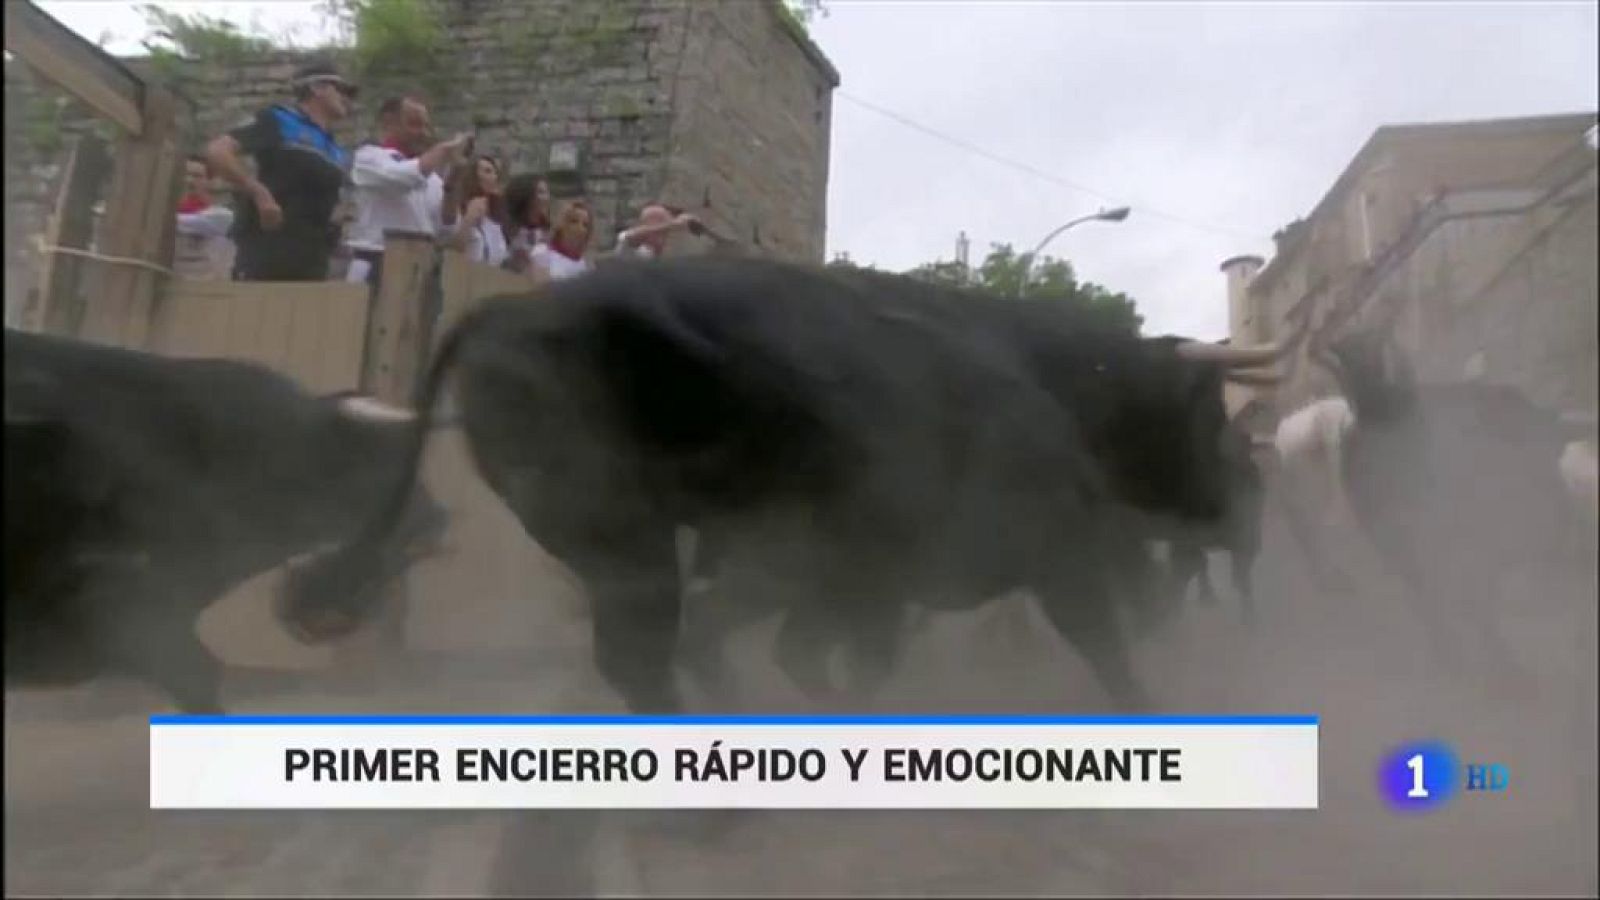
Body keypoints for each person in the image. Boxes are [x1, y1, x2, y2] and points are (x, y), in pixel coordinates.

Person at [204, 58, 356, 281]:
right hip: (269, 247)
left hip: (313, 256)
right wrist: (259, 193)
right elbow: (217, 151)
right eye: (342, 90)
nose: (347, 99)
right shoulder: (280, 120)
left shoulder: (334, 148)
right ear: (317, 88)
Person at [343, 95, 473, 286]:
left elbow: (447, 225)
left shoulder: (431, 177)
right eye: (415, 124)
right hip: (378, 261)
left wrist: (453, 180)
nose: (424, 133)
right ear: (388, 123)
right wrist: (445, 150)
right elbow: (402, 178)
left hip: (416, 267)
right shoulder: (368, 157)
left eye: (426, 126)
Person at [172, 154, 235, 281]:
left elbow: (187, 222)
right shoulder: (170, 212)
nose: (189, 180)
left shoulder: (221, 216)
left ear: (210, 181)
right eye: (184, 174)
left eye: (197, 176)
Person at [441, 154, 509, 268]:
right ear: (473, 176)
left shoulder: (495, 222)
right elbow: (451, 250)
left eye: (495, 173)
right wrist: (469, 219)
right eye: (488, 171)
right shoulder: (456, 209)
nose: (494, 177)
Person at [529, 199, 595, 281]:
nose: (580, 228)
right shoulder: (542, 253)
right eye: (574, 221)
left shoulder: (584, 266)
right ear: (562, 224)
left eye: (585, 225)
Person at [613, 202, 704, 260]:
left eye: (665, 234)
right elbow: (629, 237)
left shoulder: (653, 254)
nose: (663, 238)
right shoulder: (632, 250)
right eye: (662, 233)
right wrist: (673, 224)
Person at [502, 173, 553, 274]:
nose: (546, 198)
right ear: (527, 196)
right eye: (541, 192)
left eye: (547, 192)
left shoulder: (548, 232)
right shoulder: (507, 230)